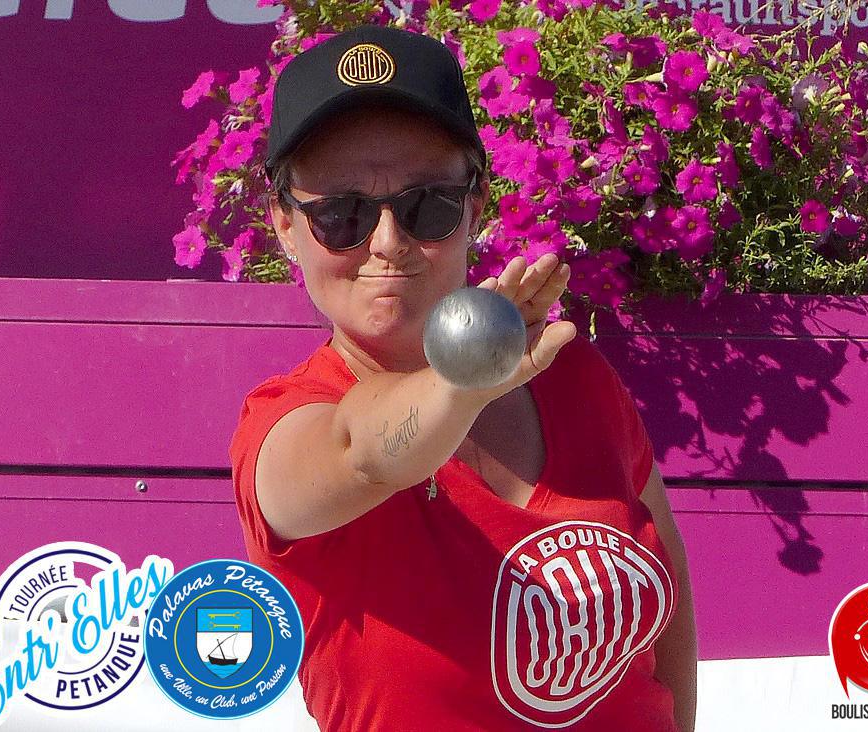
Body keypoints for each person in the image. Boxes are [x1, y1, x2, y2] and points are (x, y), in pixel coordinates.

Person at [229, 25, 696, 731]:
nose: (386, 243)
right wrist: (463, 384)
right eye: (340, 215)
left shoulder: (575, 380)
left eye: (427, 206)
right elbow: (364, 453)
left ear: (475, 204)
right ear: (286, 226)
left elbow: (668, 601)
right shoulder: (283, 426)